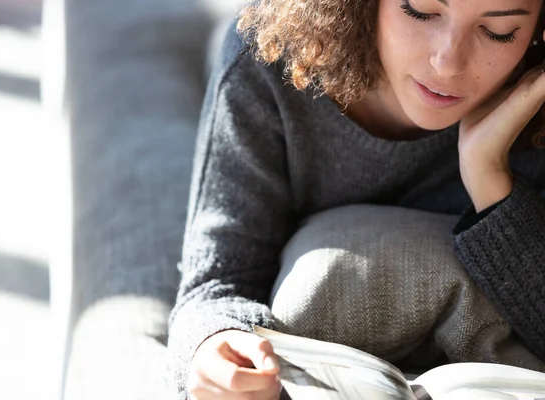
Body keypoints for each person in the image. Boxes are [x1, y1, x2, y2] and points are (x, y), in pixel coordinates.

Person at [167, 0, 545, 398]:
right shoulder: (266, 58)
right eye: (419, 11)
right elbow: (214, 287)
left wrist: (489, 178)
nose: (448, 63)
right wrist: (211, 346)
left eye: (499, 31)